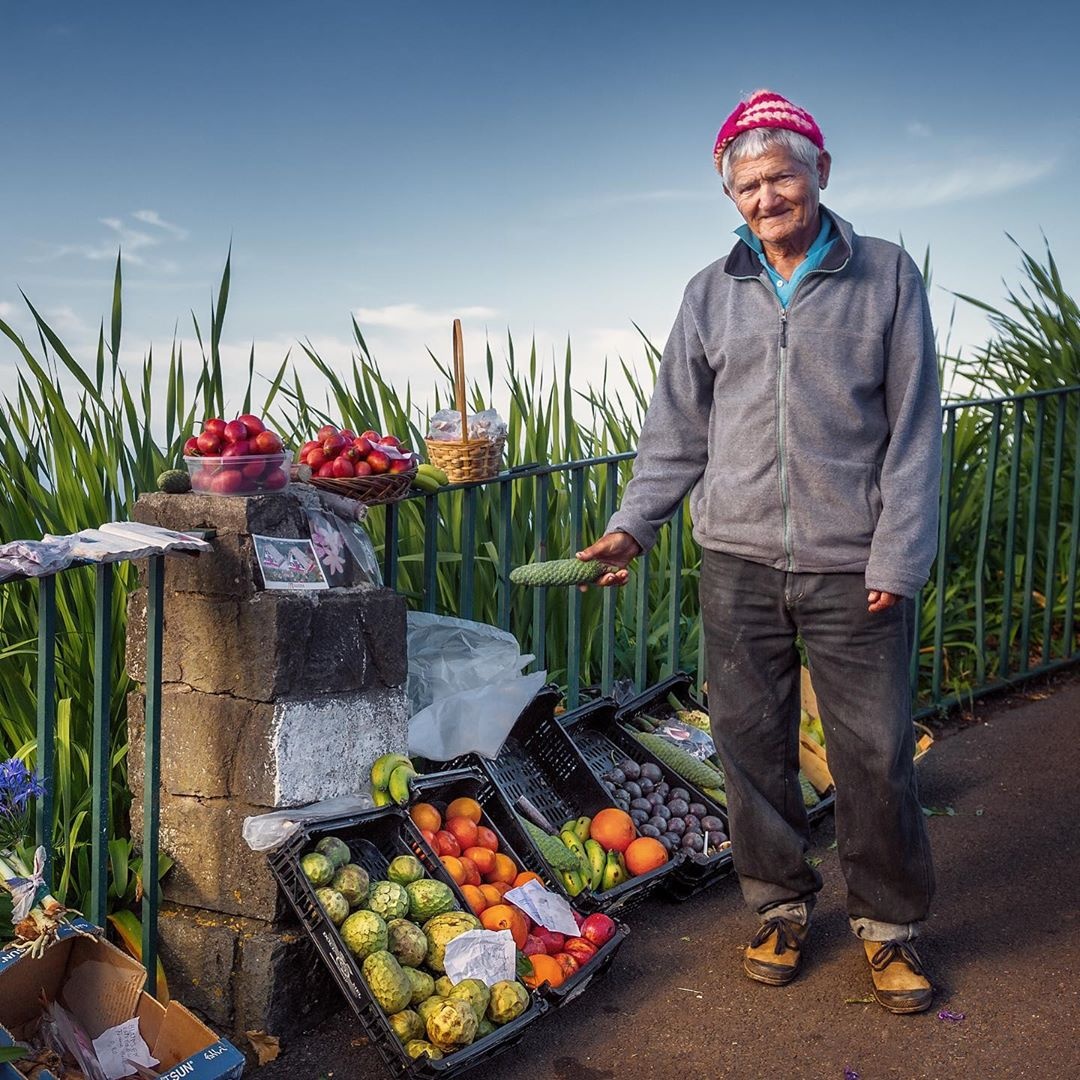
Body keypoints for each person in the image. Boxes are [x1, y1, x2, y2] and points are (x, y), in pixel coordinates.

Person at [578, 88, 942, 1014]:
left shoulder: (889, 276)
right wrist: (634, 523)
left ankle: (890, 929)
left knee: (875, 754)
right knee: (748, 750)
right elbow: (675, 435)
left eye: (783, 174)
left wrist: (896, 560)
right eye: (748, 184)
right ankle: (778, 905)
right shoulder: (711, 292)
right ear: (730, 195)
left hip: (852, 566)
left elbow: (913, 435)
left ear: (821, 171)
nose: (767, 195)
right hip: (736, 562)